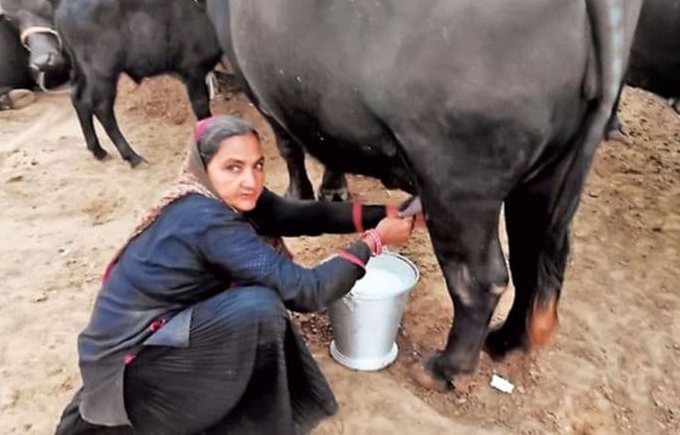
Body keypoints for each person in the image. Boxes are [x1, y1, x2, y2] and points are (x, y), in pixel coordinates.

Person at [54, 115, 418, 435]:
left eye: (258, 166)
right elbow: (308, 292)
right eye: (234, 167)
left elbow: (295, 216)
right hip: (131, 380)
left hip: (152, 340)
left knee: (255, 303)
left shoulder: (206, 195)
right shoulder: (208, 221)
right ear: (204, 166)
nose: (251, 181)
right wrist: (373, 242)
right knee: (258, 307)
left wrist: (380, 212)